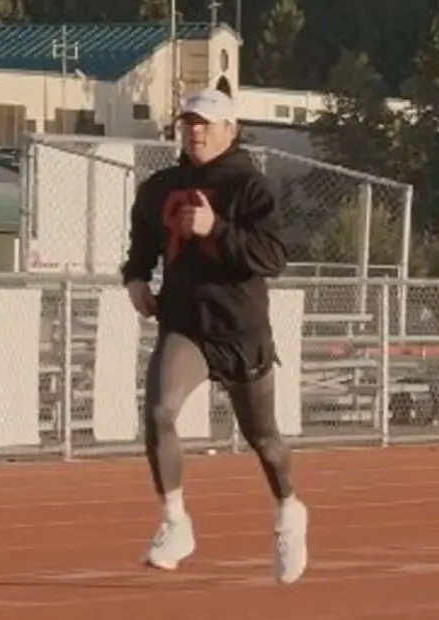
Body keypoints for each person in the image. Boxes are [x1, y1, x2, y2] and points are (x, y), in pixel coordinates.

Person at [120, 87, 308, 584]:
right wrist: (136, 277)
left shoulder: (252, 187)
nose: (195, 131)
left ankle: (289, 511)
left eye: (204, 123)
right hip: (184, 325)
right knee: (159, 410)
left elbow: (272, 258)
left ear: (230, 130)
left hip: (241, 331)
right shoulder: (159, 187)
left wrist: (215, 228)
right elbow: (143, 238)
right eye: (188, 123)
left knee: (263, 437)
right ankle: (175, 519)